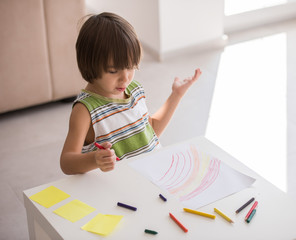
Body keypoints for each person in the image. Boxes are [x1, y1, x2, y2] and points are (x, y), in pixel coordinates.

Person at [60, 12, 201, 174]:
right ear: (89, 65)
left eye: (130, 67)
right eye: (113, 71)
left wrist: (176, 95)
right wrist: (94, 159)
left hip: (153, 175)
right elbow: (66, 162)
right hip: (121, 189)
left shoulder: (134, 89)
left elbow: (150, 132)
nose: (125, 78)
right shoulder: (85, 110)